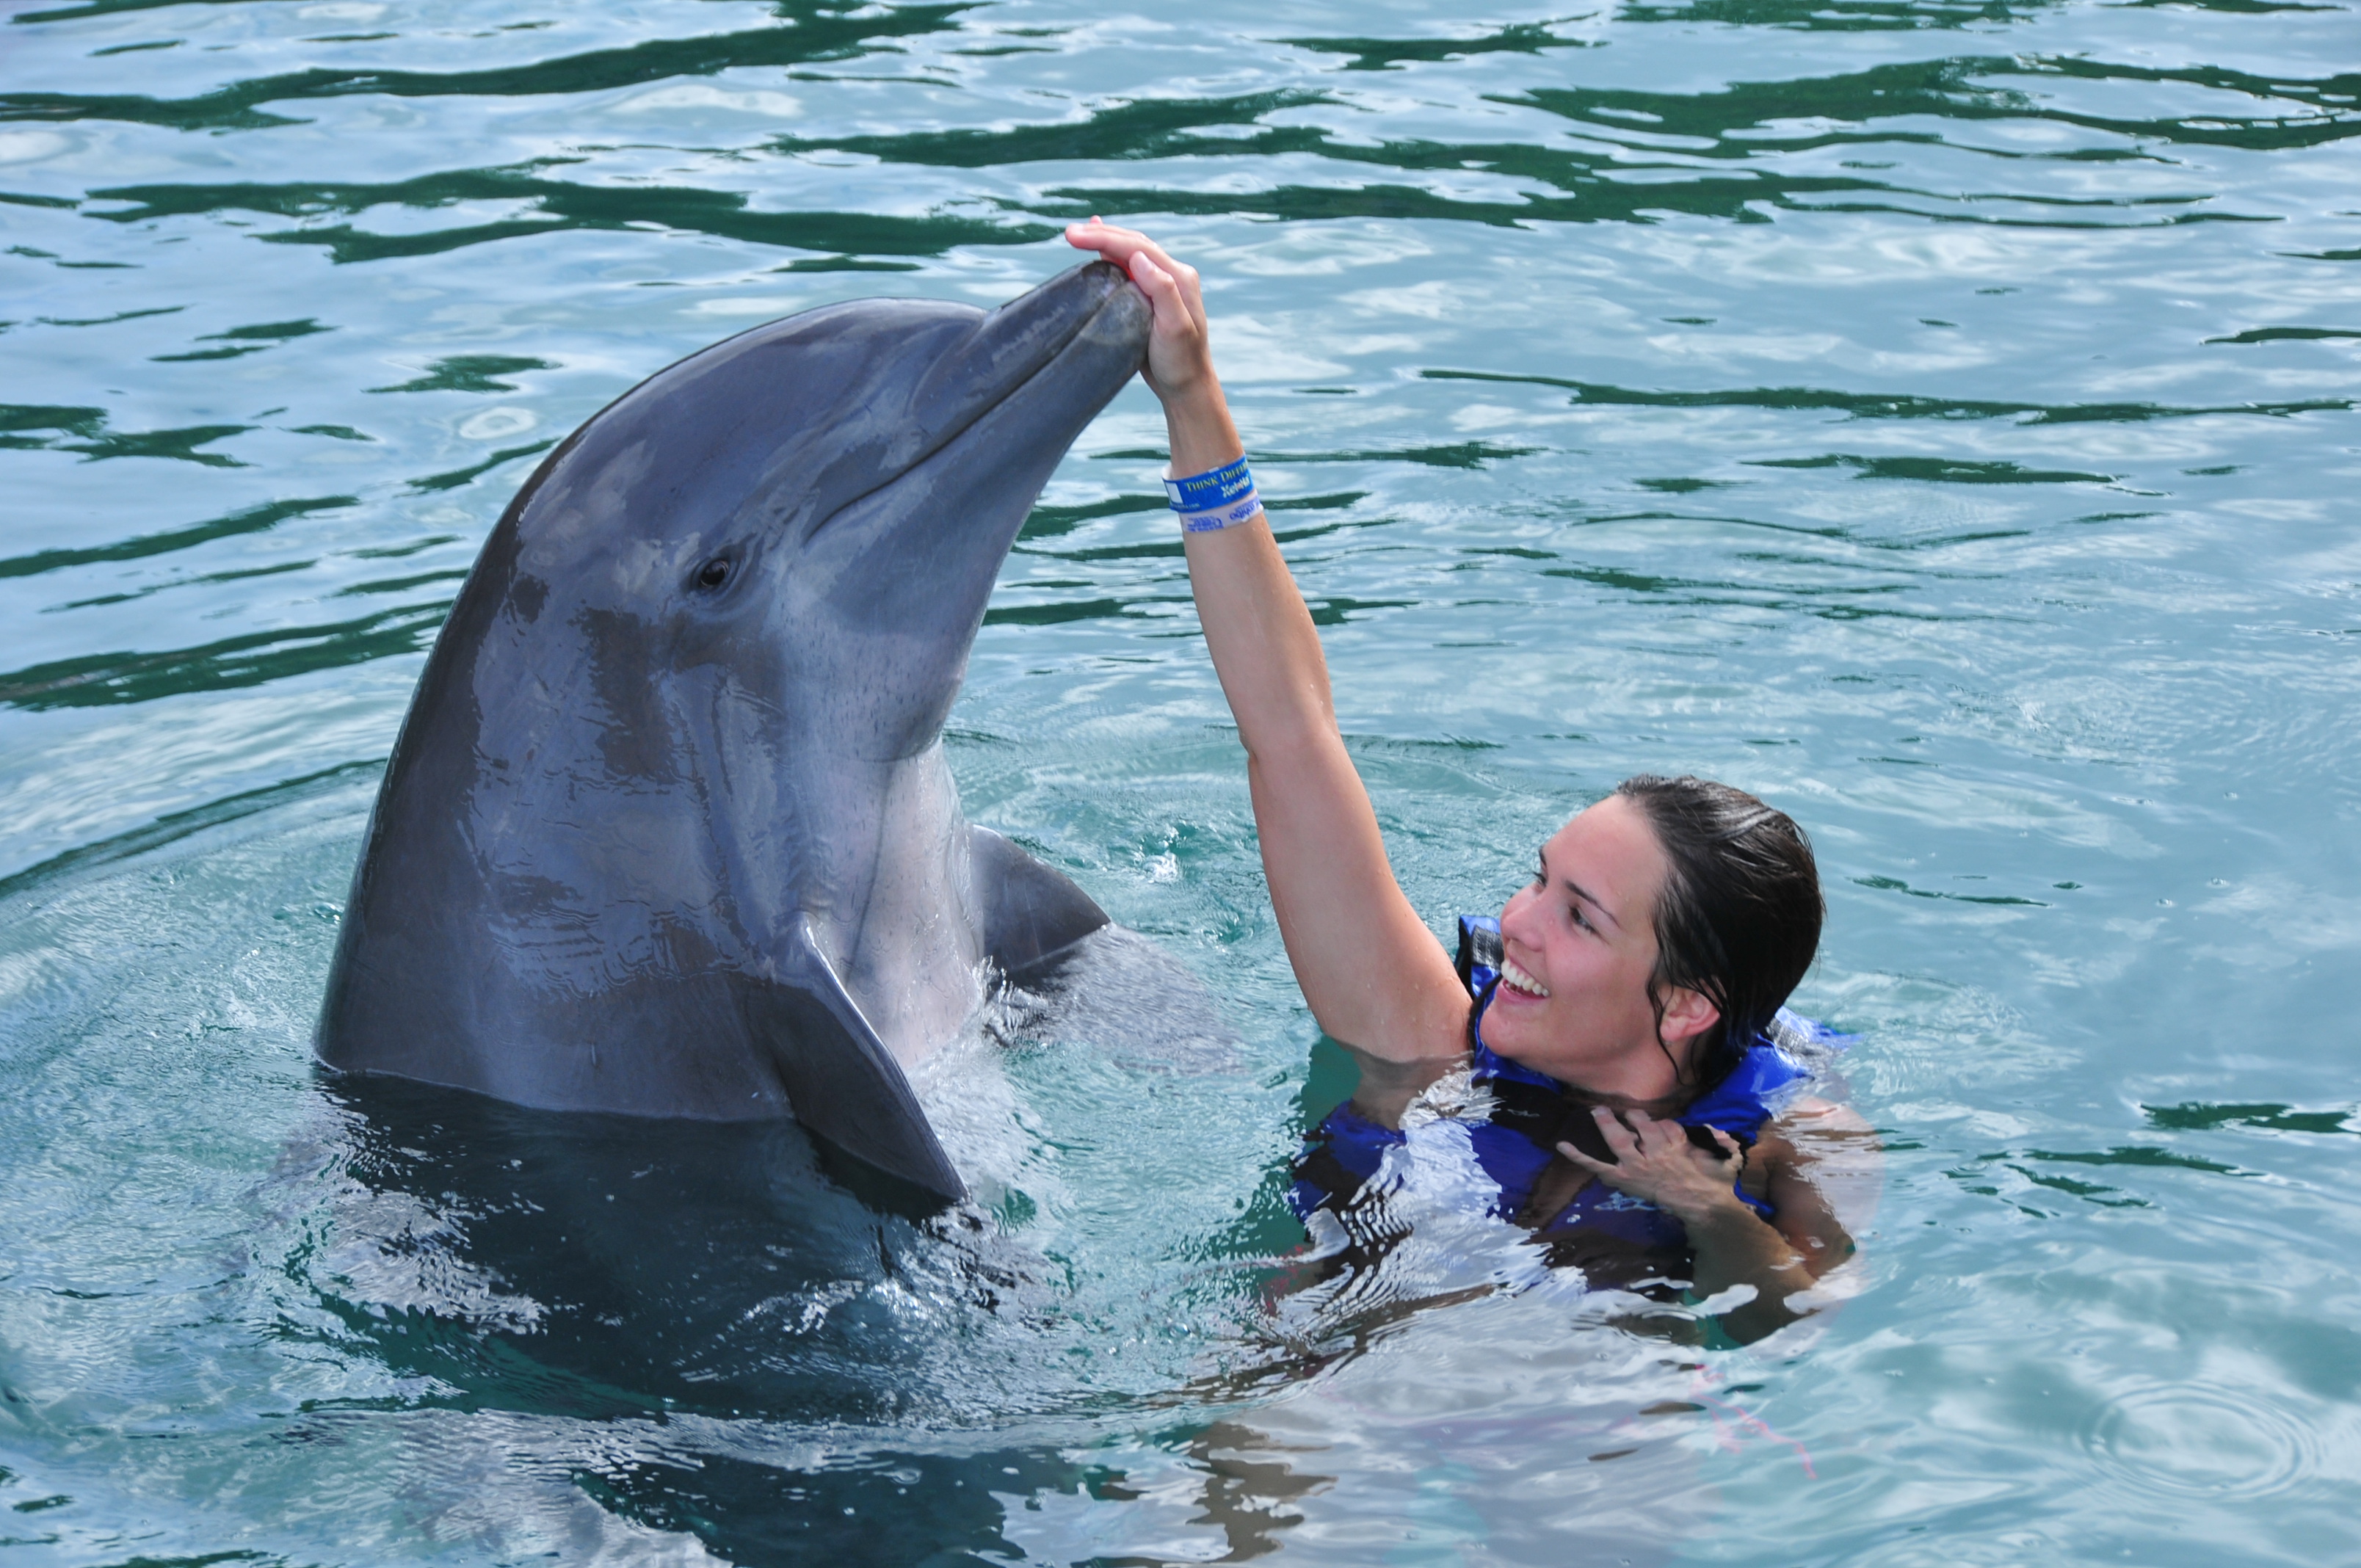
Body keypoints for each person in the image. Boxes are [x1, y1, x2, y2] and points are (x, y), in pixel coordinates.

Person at [1062, 220, 1877, 1338]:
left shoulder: (1796, 1134)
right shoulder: (1431, 1038)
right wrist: (1194, 399)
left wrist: (1704, 1209)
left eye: (1578, 916)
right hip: (1350, 1372)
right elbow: (1293, 736)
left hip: (1595, 1401)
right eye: (1539, 882)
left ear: (1688, 1002)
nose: (1513, 925)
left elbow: (1806, 1315)